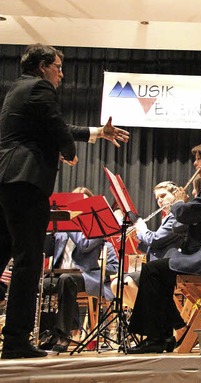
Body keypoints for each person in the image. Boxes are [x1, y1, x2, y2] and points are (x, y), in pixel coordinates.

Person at [0, 43, 128, 359]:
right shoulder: (41, 88)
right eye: (58, 66)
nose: (61, 74)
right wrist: (68, 151)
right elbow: (58, 129)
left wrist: (98, 132)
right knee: (29, 261)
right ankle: (16, 340)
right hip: (27, 181)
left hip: (6, 180)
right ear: (43, 66)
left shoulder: (19, 88)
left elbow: (53, 127)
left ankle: (14, 337)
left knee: (2, 253)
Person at [128, 142, 201, 354]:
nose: (195, 163)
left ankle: (158, 337)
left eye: (198, 159)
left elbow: (185, 216)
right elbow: (184, 224)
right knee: (156, 273)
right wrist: (184, 206)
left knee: (152, 271)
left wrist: (179, 204)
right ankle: (162, 336)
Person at [39, 186, 119, 353]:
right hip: (60, 274)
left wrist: (68, 222)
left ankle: (63, 334)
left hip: (87, 275)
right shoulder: (62, 229)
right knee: (38, 283)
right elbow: (47, 250)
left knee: (66, 280)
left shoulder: (97, 225)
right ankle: (44, 333)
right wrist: (50, 228)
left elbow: (84, 245)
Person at [110, 181, 187, 308]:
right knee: (116, 285)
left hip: (171, 266)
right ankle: (149, 319)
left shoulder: (177, 215)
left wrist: (142, 228)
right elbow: (156, 247)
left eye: (163, 196)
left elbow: (155, 239)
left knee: (128, 282)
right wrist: (137, 240)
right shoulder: (168, 217)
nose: (160, 201)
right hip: (159, 265)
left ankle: (149, 321)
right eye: (157, 198)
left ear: (175, 195)